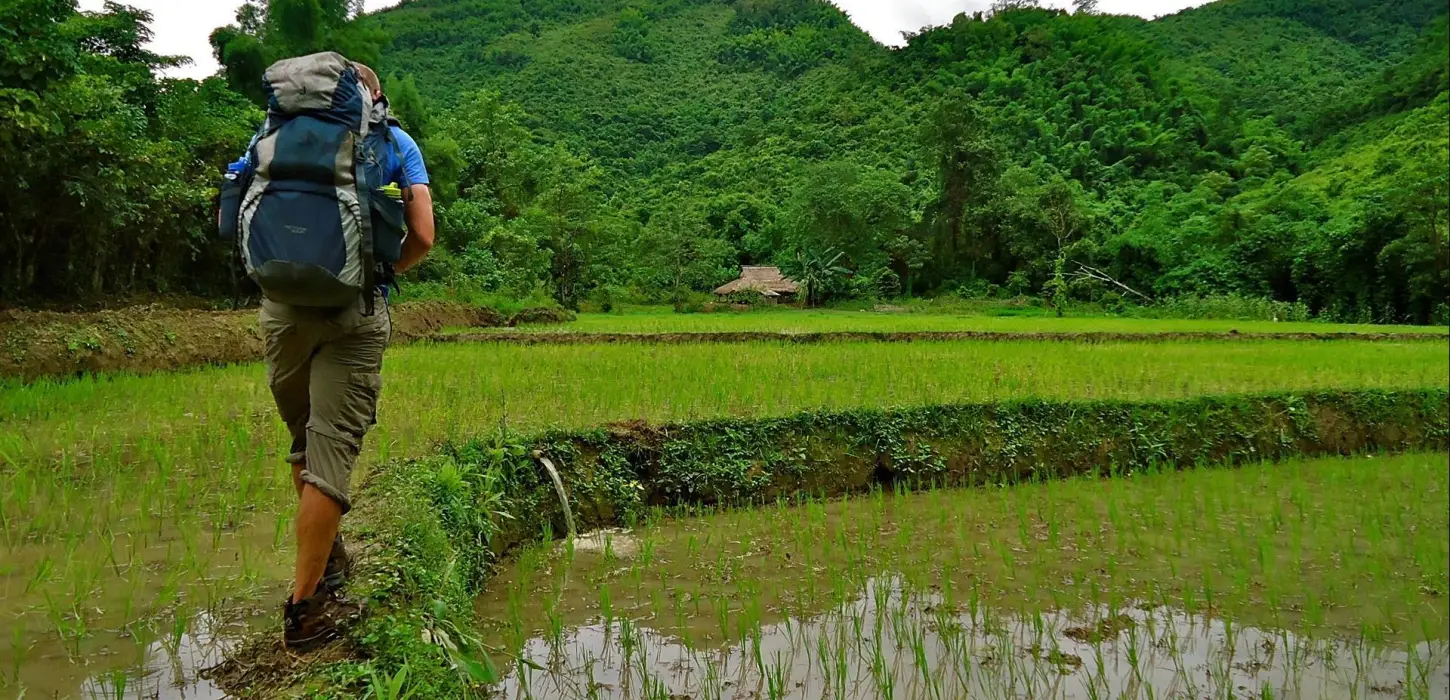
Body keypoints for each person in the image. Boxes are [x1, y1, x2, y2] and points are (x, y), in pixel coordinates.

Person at [235, 62, 435, 650]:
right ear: (370, 95)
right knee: (330, 454)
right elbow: (422, 235)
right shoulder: (394, 141)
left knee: (302, 442)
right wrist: (376, 274)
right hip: (354, 315)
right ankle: (305, 610)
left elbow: (240, 215)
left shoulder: (268, 136)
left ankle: (329, 557)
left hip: (280, 311)